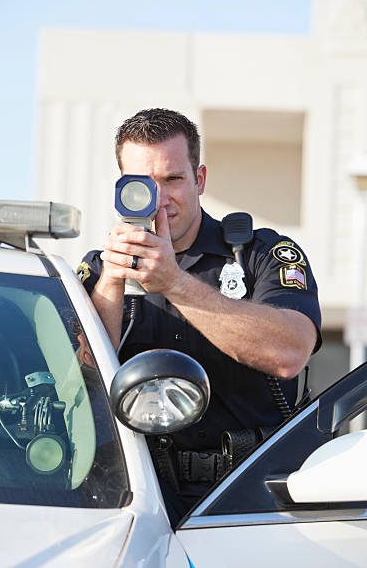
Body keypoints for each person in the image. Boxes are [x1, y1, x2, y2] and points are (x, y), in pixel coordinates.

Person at [77, 108, 321, 522]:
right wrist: (113, 283)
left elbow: (289, 352)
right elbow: (78, 381)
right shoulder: (101, 272)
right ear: (121, 187)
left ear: (199, 179)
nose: (160, 198)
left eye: (173, 179)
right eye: (142, 184)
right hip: (137, 497)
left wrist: (174, 282)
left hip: (250, 497)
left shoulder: (262, 254)